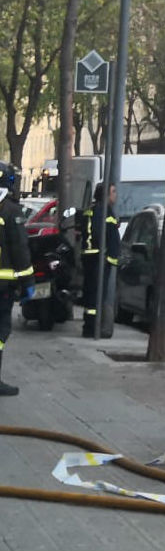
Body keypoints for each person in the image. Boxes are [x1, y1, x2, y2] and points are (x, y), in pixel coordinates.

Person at [0, 163, 33, 395]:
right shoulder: (11, 211)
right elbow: (20, 250)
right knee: (0, 332)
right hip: (2, 287)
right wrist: (28, 283)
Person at [79, 183, 120, 338]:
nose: (115, 194)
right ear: (105, 194)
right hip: (98, 258)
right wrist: (108, 257)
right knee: (95, 295)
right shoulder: (102, 211)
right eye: (113, 191)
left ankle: (91, 326)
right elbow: (100, 233)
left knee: (92, 294)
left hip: (94, 257)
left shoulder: (95, 209)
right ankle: (91, 328)